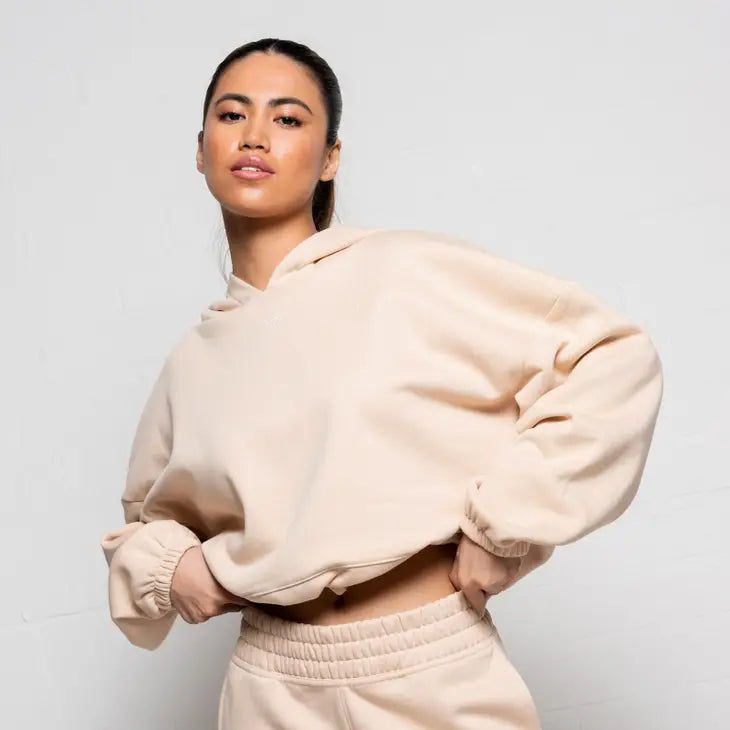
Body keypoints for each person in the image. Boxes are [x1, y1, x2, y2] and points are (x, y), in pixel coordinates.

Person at [100, 37, 664, 729]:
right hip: (269, 685)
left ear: (330, 157)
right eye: (232, 114)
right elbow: (145, 522)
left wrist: (505, 524)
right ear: (200, 149)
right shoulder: (193, 362)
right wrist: (174, 567)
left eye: (288, 118)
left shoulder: (402, 272)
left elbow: (610, 357)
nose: (255, 135)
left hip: (425, 665)